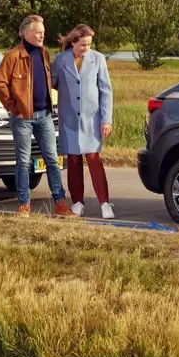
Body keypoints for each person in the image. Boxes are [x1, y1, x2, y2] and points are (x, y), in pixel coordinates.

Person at [0, 14, 73, 217]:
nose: (42, 35)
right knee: (24, 161)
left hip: (44, 115)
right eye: (38, 32)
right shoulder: (12, 57)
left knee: (52, 160)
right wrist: (14, 107)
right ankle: (24, 204)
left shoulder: (44, 53)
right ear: (25, 33)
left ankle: (60, 203)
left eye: (43, 32)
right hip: (23, 118)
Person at [53, 24, 114, 218]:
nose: (86, 49)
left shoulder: (98, 59)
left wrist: (106, 120)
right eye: (83, 45)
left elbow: (106, 91)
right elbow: (51, 83)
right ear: (73, 42)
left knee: (94, 159)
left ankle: (104, 203)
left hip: (92, 119)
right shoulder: (60, 60)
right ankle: (77, 202)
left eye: (89, 45)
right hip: (69, 119)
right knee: (73, 160)